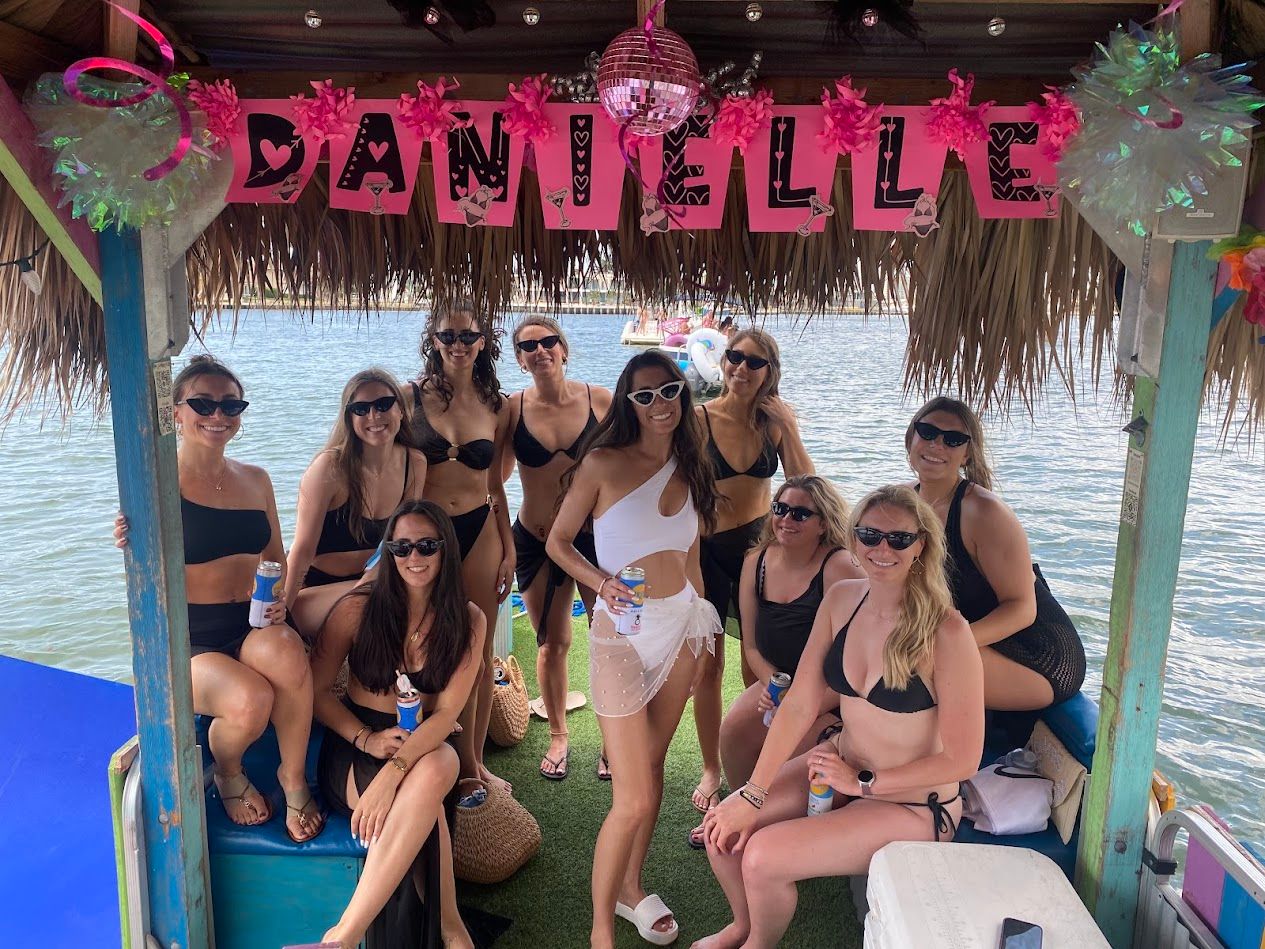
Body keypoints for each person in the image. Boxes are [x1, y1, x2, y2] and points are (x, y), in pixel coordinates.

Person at [695, 485, 984, 949]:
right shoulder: (842, 600)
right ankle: (743, 926)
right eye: (869, 535)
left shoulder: (947, 632)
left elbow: (962, 760)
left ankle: (757, 945)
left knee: (762, 856)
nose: (881, 549)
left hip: (909, 805)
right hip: (837, 767)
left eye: (898, 539)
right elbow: (802, 704)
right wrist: (751, 793)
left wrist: (863, 782)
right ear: (853, 539)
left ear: (921, 547)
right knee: (722, 832)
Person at [547, 350, 723, 948]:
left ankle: (630, 887)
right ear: (627, 402)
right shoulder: (602, 462)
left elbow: (693, 560)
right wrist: (601, 583)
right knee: (635, 795)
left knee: (650, 769)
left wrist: (706, 628)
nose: (659, 404)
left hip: (682, 628)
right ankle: (601, 930)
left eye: (669, 390)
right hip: (619, 634)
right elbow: (559, 542)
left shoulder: (694, 465)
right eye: (644, 395)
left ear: (684, 392)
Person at [112, 355, 324, 843]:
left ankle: (293, 780)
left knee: (289, 653)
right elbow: (136, 548)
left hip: (247, 623)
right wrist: (124, 534)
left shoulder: (256, 479)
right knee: (252, 699)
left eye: (231, 404)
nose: (218, 414)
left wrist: (277, 603)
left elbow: (276, 557)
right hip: (187, 641)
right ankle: (228, 768)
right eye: (203, 402)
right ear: (177, 411)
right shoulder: (154, 482)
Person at [312, 500, 480, 949]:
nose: (414, 557)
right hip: (355, 742)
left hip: (419, 745)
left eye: (426, 545)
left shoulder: (468, 621)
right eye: (401, 547)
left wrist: (393, 773)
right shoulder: (357, 610)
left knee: (439, 758)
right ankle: (450, 928)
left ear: (446, 549)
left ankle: (342, 937)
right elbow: (313, 693)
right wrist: (365, 741)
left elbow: (445, 715)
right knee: (434, 783)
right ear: (387, 552)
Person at [687, 476, 864, 848]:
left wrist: (804, 700)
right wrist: (773, 684)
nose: (787, 519)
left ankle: (769, 817)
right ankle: (742, 809)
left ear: (823, 522)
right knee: (733, 730)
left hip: (837, 693)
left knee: (803, 754)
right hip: (783, 685)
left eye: (801, 513)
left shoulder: (839, 567)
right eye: (780, 509)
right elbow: (751, 646)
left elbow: (860, 662)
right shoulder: (756, 561)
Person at [692, 328, 813, 818]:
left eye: (754, 362)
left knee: (754, 663)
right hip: (705, 550)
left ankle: (757, 769)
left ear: (770, 373)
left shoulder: (775, 424)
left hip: (757, 549)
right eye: (734, 358)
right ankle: (710, 769)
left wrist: (790, 426)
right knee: (708, 665)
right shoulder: (699, 419)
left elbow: (805, 486)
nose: (741, 368)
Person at [905, 397, 1086, 710]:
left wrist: (947, 644)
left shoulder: (984, 513)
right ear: (911, 438)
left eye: (953, 440)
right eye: (928, 432)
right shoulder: (902, 502)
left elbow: (1022, 609)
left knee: (916, 665)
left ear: (966, 455)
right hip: (969, 636)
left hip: (1034, 654)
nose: (937, 445)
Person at [411, 301, 514, 805]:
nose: (457, 345)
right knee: (423, 644)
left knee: (477, 651)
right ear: (432, 339)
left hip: (481, 529)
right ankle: (424, 750)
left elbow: (497, 483)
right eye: (447, 335)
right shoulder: (409, 397)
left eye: (467, 336)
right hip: (427, 535)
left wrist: (511, 548)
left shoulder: (499, 405)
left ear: (483, 341)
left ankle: (473, 766)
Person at [504, 315, 613, 781]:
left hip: (594, 537)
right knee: (552, 643)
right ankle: (559, 736)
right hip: (535, 537)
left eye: (549, 341)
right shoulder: (513, 409)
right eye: (529, 346)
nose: (540, 351)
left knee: (609, 638)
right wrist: (500, 549)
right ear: (519, 358)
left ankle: (615, 740)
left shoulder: (600, 400)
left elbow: (635, 461)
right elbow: (492, 482)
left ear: (564, 349)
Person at [286, 369, 426, 639]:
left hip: (375, 584)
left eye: (384, 404)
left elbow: (400, 543)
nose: (374, 416)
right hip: (316, 591)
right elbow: (302, 551)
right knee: (375, 603)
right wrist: (283, 613)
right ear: (349, 417)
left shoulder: (414, 463)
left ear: (400, 408)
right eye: (361, 409)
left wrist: (371, 582)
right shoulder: (329, 469)